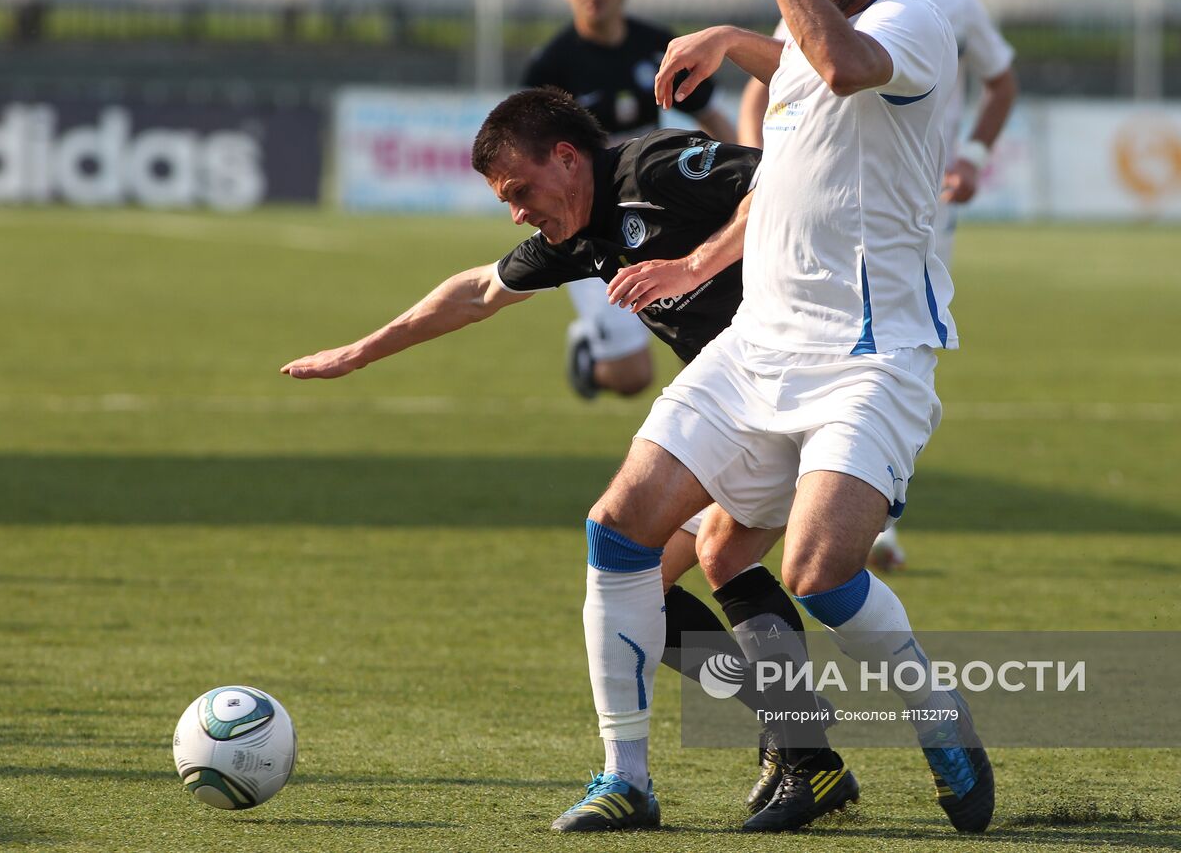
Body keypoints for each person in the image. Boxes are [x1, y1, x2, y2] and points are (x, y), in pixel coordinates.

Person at [556, 0, 993, 835]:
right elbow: (786, 137)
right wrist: (695, 261)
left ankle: (936, 715)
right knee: (619, 531)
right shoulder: (807, 34)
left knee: (818, 573)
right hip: (758, 347)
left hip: (870, 354)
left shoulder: (913, 20)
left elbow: (840, 62)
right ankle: (625, 776)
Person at [279, 86, 841, 822]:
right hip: (728, 417)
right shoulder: (578, 236)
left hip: (801, 391)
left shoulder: (660, 168)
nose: (516, 212)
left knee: (705, 556)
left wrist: (697, 262)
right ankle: (798, 739)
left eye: (520, 190)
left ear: (568, 158)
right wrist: (362, 352)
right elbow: (478, 290)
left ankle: (801, 751)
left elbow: (784, 181)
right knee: (640, 588)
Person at [738, 0, 1018, 573]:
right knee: (666, 538)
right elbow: (782, 78)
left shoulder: (937, 8)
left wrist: (975, 156)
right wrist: (762, 172)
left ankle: (869, 505)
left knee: (885, 345)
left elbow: (999, 78)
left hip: (910, 208)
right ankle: (825, 502)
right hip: (810, 242)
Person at [523, 0, 737, 401]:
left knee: (718, 329)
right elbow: (524, 158)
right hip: (588, 225)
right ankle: (587, 350)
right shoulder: (550, 67)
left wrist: (744, 173)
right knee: (631, 378)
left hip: (656, 208)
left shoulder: (658, 46)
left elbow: (711, 114)